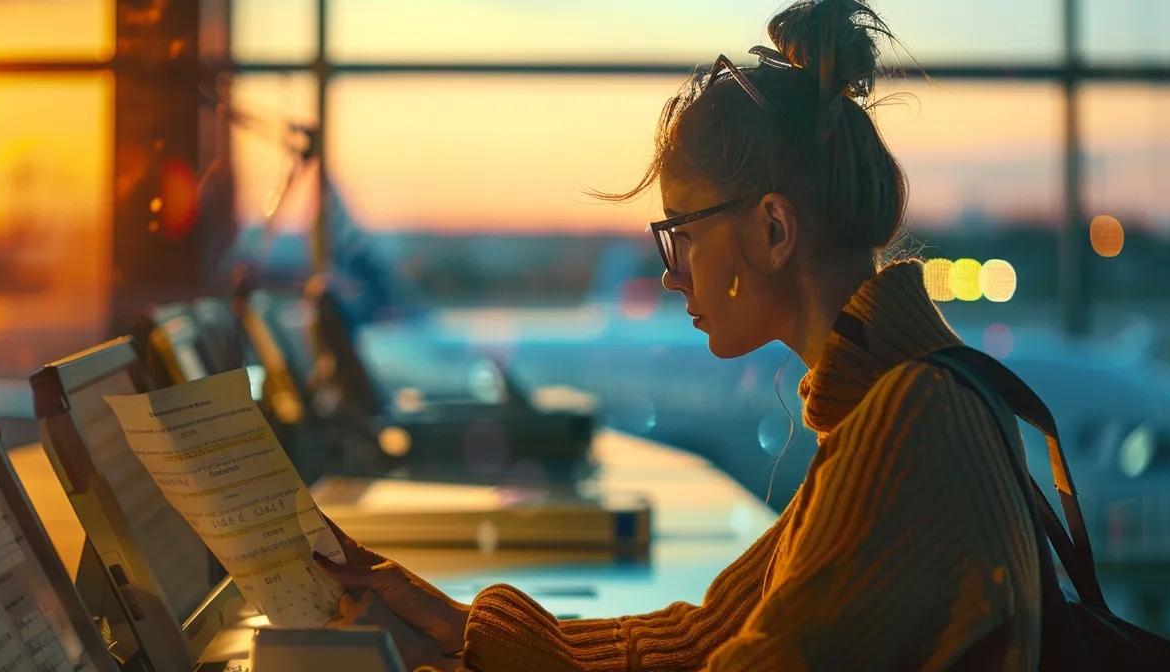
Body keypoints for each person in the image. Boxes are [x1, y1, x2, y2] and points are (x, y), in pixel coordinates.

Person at [315, 1, 1040, 669]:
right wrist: (464, 630)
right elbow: (710, 636)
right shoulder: (902, 398)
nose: (672, 274)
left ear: (774, 228)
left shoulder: (907, 424)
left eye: (681, 233)